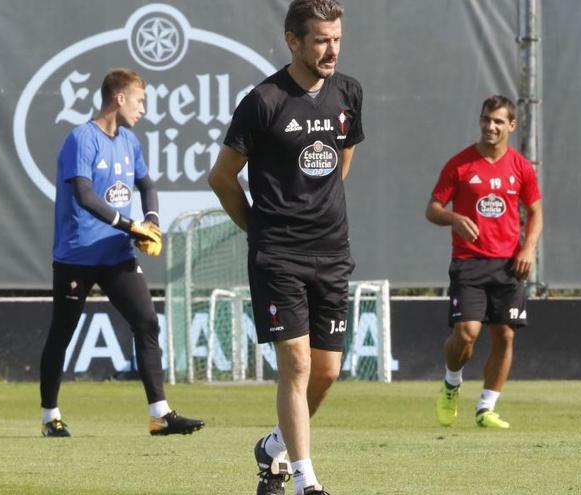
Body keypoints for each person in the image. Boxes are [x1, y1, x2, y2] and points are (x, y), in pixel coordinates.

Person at [208, 0, 362, 493]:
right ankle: (305, 480)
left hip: (332, 252)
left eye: (336, 38)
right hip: (278, 256)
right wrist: (259, 228)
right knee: (295, 364)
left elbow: (342, 158)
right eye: (320, 40)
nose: (331, 49)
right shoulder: (264, 100)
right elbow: (222, 177)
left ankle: (274, 445)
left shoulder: (348, 93)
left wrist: (321, 210)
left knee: (327, 371)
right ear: (293, 41)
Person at [40, 68, 205, 438]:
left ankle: (160, 414)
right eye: (140, 100)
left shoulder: (129, 141)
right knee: (62, 333)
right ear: (119, 98)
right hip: (77, 256)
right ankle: (50, 415)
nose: (143, 108)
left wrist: (151, 221)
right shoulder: (81, 139)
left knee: (146, 321)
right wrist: (131, 226)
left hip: (116, 255)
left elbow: (146, 184)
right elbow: (84, 196)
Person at [426, 95, 543, 430]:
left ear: (511, 126)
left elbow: (535, 212)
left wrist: (528, 249)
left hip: (508, 264)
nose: (490, 127)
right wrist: (453, 218)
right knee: (466, 334)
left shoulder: (521, 167)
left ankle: (486, 408)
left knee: (505, 335)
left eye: (497, 122)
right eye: (485, 120)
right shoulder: (461, 164)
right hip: (469, 262)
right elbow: (432, 208)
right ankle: (451, 382)